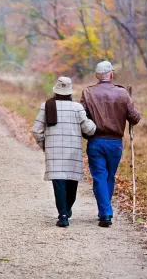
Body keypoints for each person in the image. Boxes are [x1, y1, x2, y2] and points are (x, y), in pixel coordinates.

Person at [80, 61, 141, 228]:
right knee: (109, 176)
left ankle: (105, 212)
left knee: (99, 176)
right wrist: (128, 103)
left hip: (96, 141)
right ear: (111, 75)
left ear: (97, 76)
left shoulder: (88, 93)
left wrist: (86, 131)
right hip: (115, 143)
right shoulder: (122, 93)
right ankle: (105, 211)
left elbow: (81, 117)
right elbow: (135, 118)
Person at [32, 77, 96, 228]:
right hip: (73, 151)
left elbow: (36, 130)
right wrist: (92, 121)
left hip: (54, 152)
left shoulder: (46, 106)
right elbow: (89, 130)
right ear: (70, 92)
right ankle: (66, 210)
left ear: (56, 90)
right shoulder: (77, 108)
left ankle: (63, 215)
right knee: (71, 183)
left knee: (58, 183)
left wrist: (45, 145)